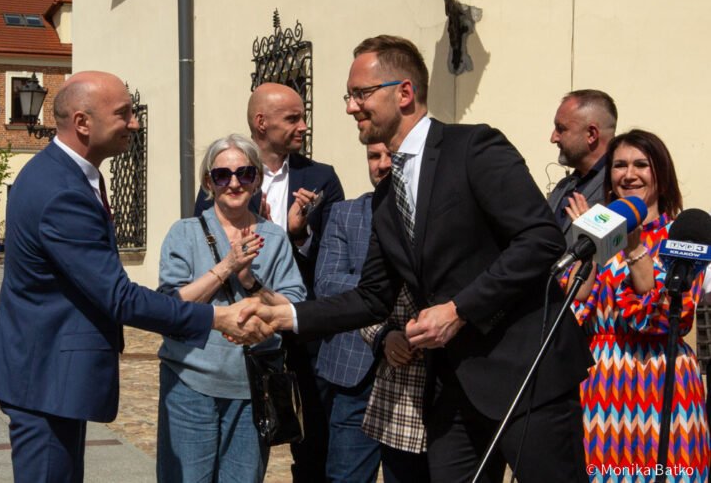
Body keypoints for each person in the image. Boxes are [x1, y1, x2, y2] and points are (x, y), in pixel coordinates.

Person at [242, 35, 592, 482]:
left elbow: (541, 239)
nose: (350, 107)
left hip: (526, 375)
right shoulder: (387, 196)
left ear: (404, 92)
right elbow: (372, 297)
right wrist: (286, 315)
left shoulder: (474, 147)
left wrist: (459, 309)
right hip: (452, 390)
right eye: (349, 96)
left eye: (361, 94)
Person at [0, 71, 272, 483]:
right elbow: (119, 297)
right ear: (83, 123)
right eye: (123, 113)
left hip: (45, 373)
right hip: (43, 377)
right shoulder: (62, 190)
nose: (134, 122)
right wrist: (216, 318)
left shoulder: (64, 174)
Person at [195, 82, 345, 481]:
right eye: (293, 118)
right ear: (261, 122)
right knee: (244, 436)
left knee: (313, 438)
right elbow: (207, 249)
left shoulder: (322, 178)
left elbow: (335, 257)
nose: (303, 126)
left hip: (302, 329)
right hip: (245, 331)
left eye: (302, 117)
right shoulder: (227, 177)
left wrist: (296, 235)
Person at [156, 133, 306, 483]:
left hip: (253, 386)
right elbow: (170, 307)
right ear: (209, 182)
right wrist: (227, 266)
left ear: (256, 180)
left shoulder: (274, 237)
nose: (234, 183)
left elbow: (293, 307)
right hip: (190, 381)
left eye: (245, 173)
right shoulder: (184, 233)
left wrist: (250, 280)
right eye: (222, 175)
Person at [563, 129, 710, 479]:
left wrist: (633, 246)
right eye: (619, 165)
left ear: (662, 175)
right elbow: (573, 303)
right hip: (602, 388)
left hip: (665, 382)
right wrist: (591, 240)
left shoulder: (682, 235)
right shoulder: (594, 232)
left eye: (641, 164)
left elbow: (664, 316)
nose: (629, 174)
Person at [314, 143, 391, 483]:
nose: (382, 164)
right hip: (354, 371)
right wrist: (389, 284)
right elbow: (327, 283)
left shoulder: (433, 215)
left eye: (391, 156)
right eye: (374, 156)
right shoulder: (346, 214)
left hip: (414, 370)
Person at [359, 279, 427, 483]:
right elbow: (365, 307)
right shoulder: (391, 259)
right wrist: (384, 337)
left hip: (458, 395)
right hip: (399, 403)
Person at [547, 89, 618, 233]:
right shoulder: (563, 186)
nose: (553, 138)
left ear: (591, 134)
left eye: (561, 129)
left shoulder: (619, 185)